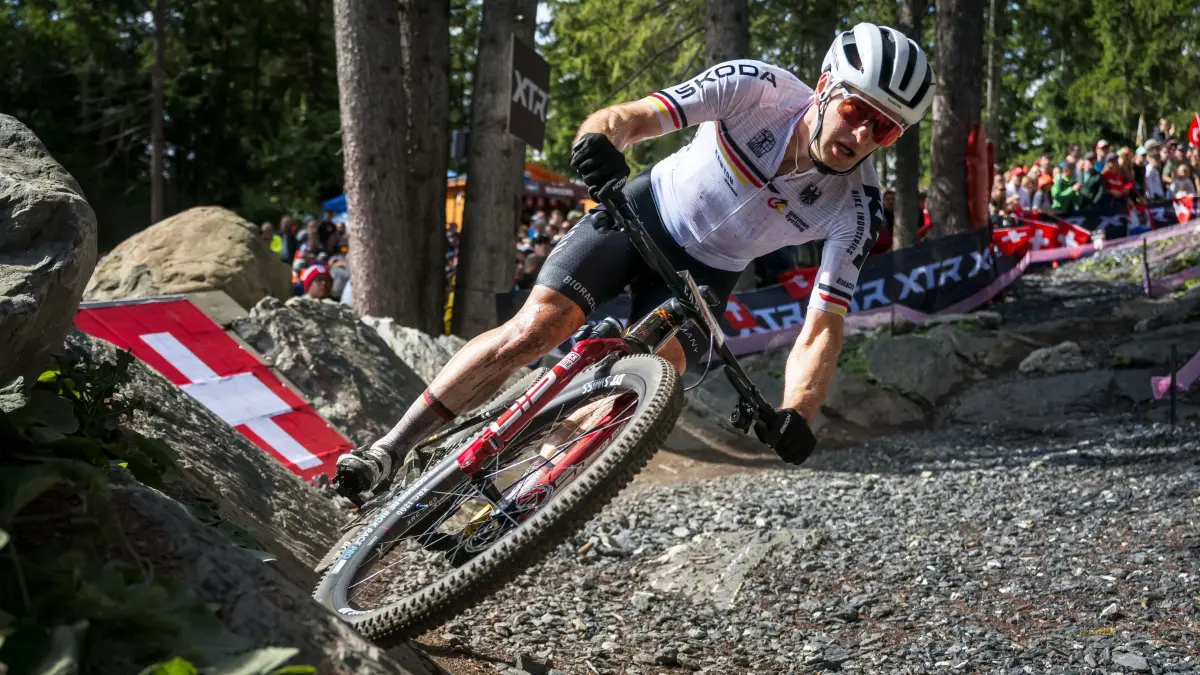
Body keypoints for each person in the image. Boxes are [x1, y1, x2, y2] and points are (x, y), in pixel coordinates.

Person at [333, 22, 936, 497]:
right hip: (644, 212)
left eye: (885, 130)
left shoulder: (858, 208)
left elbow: (822, 325)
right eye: (857, 111)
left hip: (707, 277)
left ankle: (523, 506)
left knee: (643, 386)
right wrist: (600, 140)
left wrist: (798, 411)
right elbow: (632, 117)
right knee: (536, 328)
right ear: (826, 85)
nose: (862, 136)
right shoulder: (757, 88)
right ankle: (389, 449)